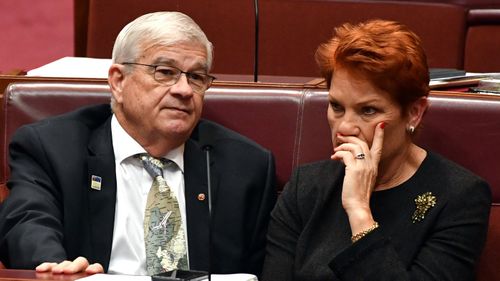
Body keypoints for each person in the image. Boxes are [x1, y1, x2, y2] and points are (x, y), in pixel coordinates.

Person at [0, 11, 276, 277]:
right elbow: (27, 224)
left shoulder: (245, 167)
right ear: (118, 81)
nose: (184, 90)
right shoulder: (52, 148)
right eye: (165, 72)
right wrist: (57, 268)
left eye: (196, 77)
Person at [261, 19, 491, 280]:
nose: (345, 127)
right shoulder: (306, 187)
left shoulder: (459, 196)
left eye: (367, 110)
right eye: (336, 106)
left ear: (414, 113)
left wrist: (359, 211)